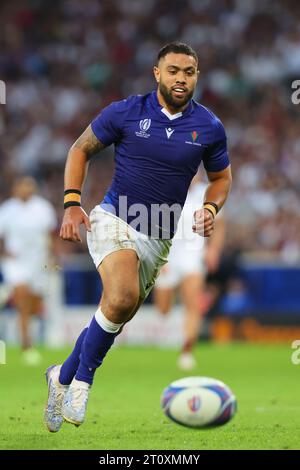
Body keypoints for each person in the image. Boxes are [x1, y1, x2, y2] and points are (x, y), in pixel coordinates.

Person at [44, 41, 232, 432]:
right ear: (157, 73)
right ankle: (82, 382)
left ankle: (60, 375)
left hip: (160, 236)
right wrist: (71, 203)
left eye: (190, 72)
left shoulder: (209, 127)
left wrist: (211, 208)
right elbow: (80, 149)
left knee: (117, 311)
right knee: (123, 297)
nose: (182, 79)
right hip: (115, 218)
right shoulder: (126, 111)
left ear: (197, 76)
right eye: (174, 71)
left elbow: (221, 178)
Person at [154, 174, 225, 371]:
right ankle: (177, 334)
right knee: (163, 308)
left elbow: (220, 225)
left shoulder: (205, 193)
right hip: (168, 255)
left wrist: (213, 250)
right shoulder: (164, 189)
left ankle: (186, 351)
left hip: (193, 254)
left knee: (192, 303)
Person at [0, 176, 57, 365]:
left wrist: (51, 257)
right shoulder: (7, 210)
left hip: (38, 262)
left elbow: (51, 235)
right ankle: (27, 345)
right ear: (15, 189)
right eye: (21, 186)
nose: (25, 189)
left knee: (34, 305)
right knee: (23, 300)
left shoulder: (43, 208)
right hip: (16, 263)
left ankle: (8, 299)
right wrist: (5, 253)